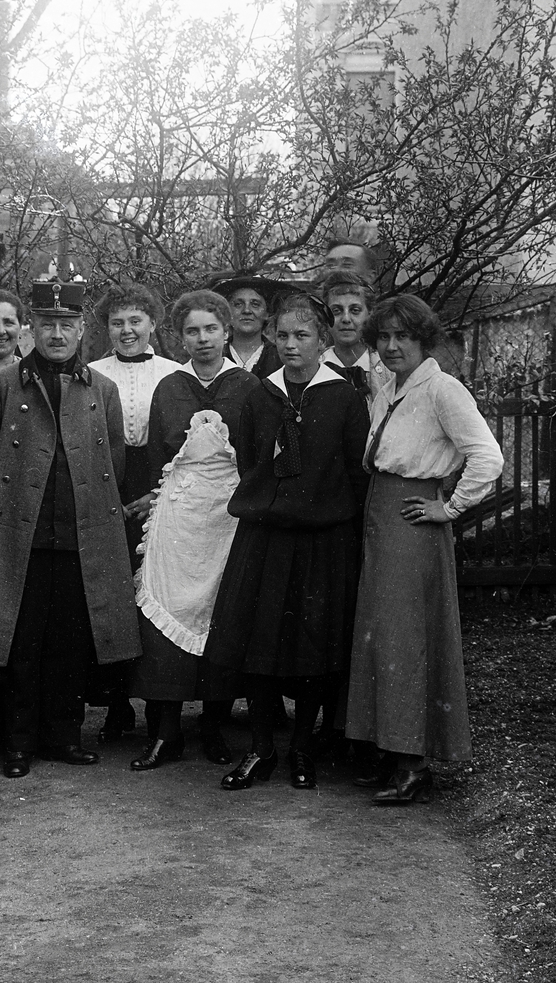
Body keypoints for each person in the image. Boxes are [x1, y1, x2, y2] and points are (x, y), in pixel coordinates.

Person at [0, 280, 140, 778]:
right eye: (47, 325)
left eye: (67, 325)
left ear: (82, 330)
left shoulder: (101, 390)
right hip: (22, 539)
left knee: (70, 641)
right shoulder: (2, 387)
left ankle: (64, 736)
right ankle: (18, 742)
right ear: (30, 330)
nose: (57, 334)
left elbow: (116, 464)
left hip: (82, 538)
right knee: (20, 642)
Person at [204, 291, 370, 793]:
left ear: (323, 340)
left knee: (313, 645)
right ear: (272, 340)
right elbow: (251, 461)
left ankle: (302, 746)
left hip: (323, 542)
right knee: (258, 643)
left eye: (303, 336)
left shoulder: (343, 397)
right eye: (284, 336)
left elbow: (354, 472)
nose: (292, 345)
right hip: (267, 539)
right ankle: (262, 747)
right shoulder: (260, 397)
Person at [345, 293, 504, 805]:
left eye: (403, 338)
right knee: (379, 635)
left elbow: (488, 457)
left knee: (404, 637)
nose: (391, 347)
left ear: (423, 340)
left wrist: (450, 508)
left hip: (412, 519)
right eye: (384, 337)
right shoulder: (388, 385)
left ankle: (414, 764)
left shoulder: (443, 390)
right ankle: (392, 752)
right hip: (380, 511)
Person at [126, 288, 259, 768]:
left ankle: (214, 726)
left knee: (219, 615)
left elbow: (259, 456)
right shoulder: (170, 387)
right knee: (167, 609)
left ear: (227, 332)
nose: (202, 339)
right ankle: (164, 731)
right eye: (192, 331)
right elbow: (159, 457)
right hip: (178, 517)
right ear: (179, 337)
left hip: (228, 516)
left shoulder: (248, 386)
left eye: (211, 329)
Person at [87, 283, 182, 742]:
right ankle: (117, 704)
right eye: (117, 322)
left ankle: (162, 707)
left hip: (158, 484)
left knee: (156, 592)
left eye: (135, 321)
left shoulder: (173, 374)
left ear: (152, 324)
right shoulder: (90, 373)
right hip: (106, 483)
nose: (127, 331)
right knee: (110, 594)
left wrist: (154, 492)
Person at [320, 271, 385, 400]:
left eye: (355, 310)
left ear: (370, 314)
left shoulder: (388, 368)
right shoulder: (314, 366)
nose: (346, 319)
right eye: (336, 311)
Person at [210, 274, 284, 379]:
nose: (247, 310)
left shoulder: (280, 358)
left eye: (255, 304)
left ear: (267, 313)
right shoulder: (214, 356)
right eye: (238, 304)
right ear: (227, 312)